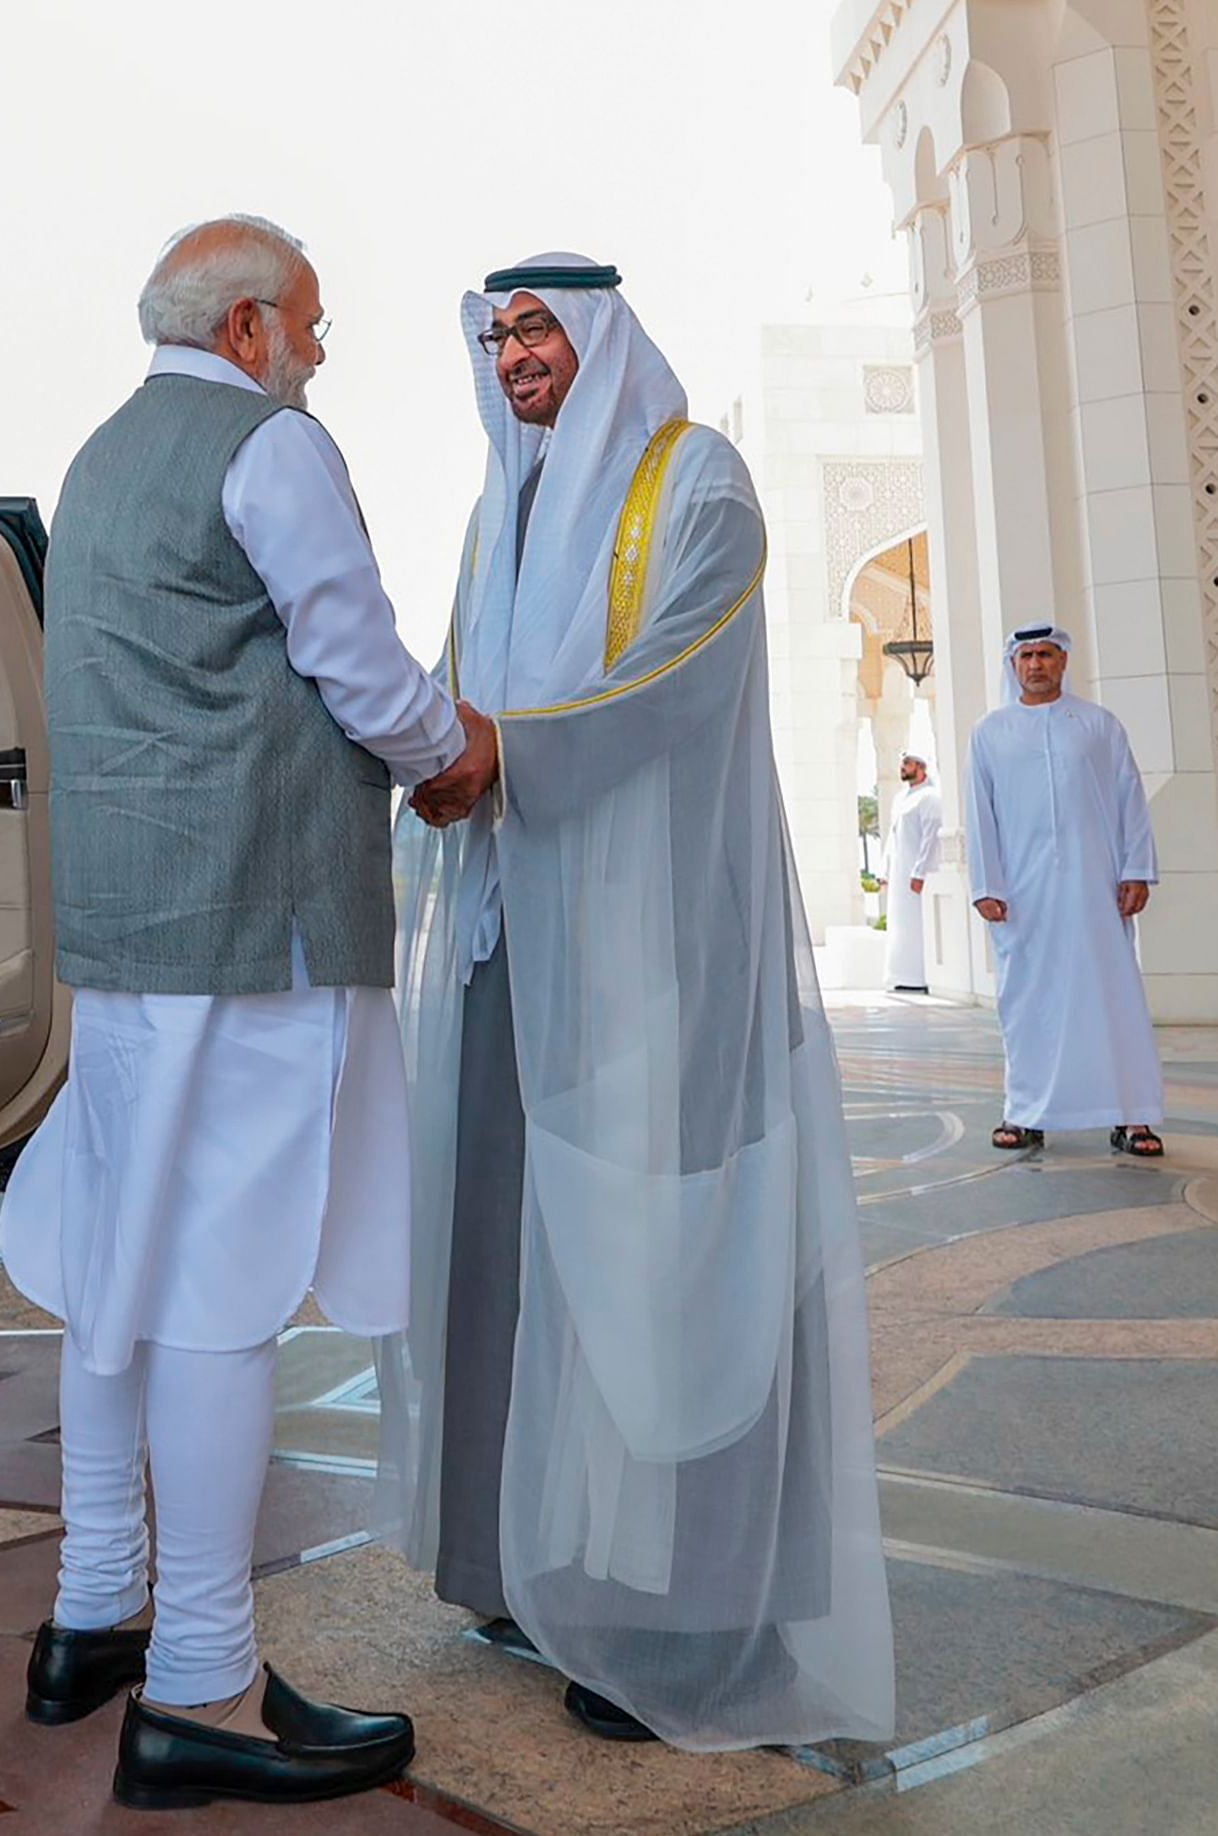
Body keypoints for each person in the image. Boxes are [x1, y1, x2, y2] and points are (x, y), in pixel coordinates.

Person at [0, 213, 496, 1811]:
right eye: (317, 326)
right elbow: (352, 658)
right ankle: (202, 1684)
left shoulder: (94, 455)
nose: (324, 354)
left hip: (138, 935)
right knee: (217, 1292)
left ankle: (94, 1614)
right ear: (253, 326)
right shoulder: (272, 447)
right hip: (253, 930)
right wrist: (453, 753)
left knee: (118, 1267)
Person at [378, 255, 896, 1752]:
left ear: (600, 338)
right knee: (500, 1248)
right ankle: (513, 1564)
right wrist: (417, 749)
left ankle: (678, 1619)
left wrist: (493, 751)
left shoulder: (698, 485)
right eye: (497, 336)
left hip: (658, 956)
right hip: (509, 946)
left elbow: (669, 684)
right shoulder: (500, 511)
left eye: (538, 329)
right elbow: (449, 685)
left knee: (661, 1268)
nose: (514, 356)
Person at [965, 627, 1165, 1157]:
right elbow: (980, 814)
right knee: (1028, 1001)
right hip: (1023, 896)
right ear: (1013, 665)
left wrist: (1136, 870)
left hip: (1097, 886)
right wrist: (986, 884)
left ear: (1063, 661)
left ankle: (1132, 1116)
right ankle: (1026, 1113)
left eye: (1046, 655)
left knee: (1113, 996)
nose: (1036, 665)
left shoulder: (1098, 726)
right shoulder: (991, 732)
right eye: (1027, 656)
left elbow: (1130, 800)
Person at [885, 753, 944, 993]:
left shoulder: (930, 797)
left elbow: (931, 837)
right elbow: (892, 835)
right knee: (901, 927)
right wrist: (885, 870)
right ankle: (902, 976)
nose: (902, 768)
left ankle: (920, 977)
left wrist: (920, 871)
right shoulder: (901, 798)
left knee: (918, 926)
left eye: (907, 764)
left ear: (921, 768)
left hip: (917, 876)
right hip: (900, 875)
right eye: (902, 764)